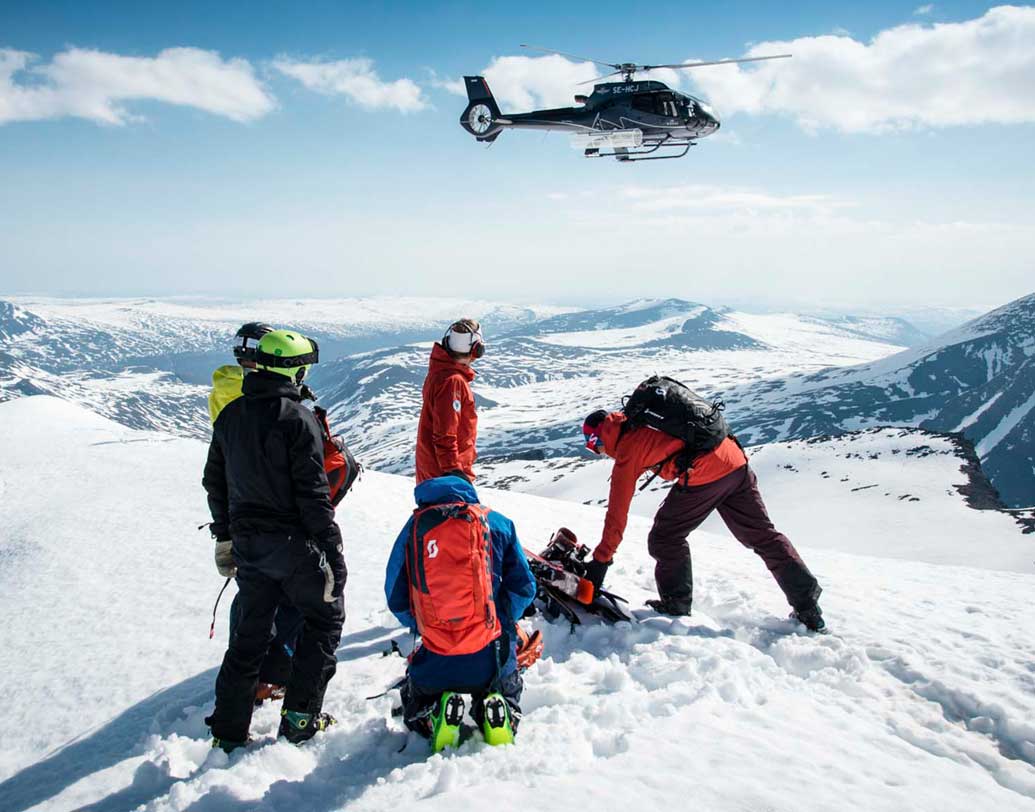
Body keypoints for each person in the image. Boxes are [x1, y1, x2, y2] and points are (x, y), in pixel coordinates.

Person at [202, 329, 347, 752]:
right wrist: (331, 547)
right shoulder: (297, 419)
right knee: (324, 621)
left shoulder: (231, 416)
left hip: (249, 546)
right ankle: (301, 720)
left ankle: (228, 731)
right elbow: (313, 495)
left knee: (248, 637)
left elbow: (215, 482)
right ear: (292, 368)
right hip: (297, 545)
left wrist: (226, 535)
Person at [579, 406, 825, 631]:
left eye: (593, 447)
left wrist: (601, 561)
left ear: (597, 438)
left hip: (706, 471)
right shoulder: (639, 420)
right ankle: (807, 604)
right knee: (761, 535)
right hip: (734, 459)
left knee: (666, 536)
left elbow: (617, 515)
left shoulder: (627, 449)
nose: (599, 453)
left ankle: (676, 603)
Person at [384, 475, 536, 751]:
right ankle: (500, 711)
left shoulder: (413, 530)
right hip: (493, 656)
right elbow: (524, 587)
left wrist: (424, 625)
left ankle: (434, 714)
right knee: (504, 683)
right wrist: (502, 621)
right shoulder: (497, 522)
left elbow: (395, 596)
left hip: (435, 658)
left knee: (416, 699)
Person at [208, 321, 304, 705]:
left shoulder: (227, 390)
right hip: (272, 513)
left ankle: (246, 675)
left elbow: (217, 469)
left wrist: (223, 528)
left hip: (239, 509)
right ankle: (270, 675)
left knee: (251, 595)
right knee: (288, 597)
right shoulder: (247, 398)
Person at [415, 319, 484, 483]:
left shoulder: (439, 373)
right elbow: (445, 434)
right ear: (477, 349)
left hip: (436, 472)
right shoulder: (453, 382)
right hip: (445, 476)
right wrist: (453, 471)